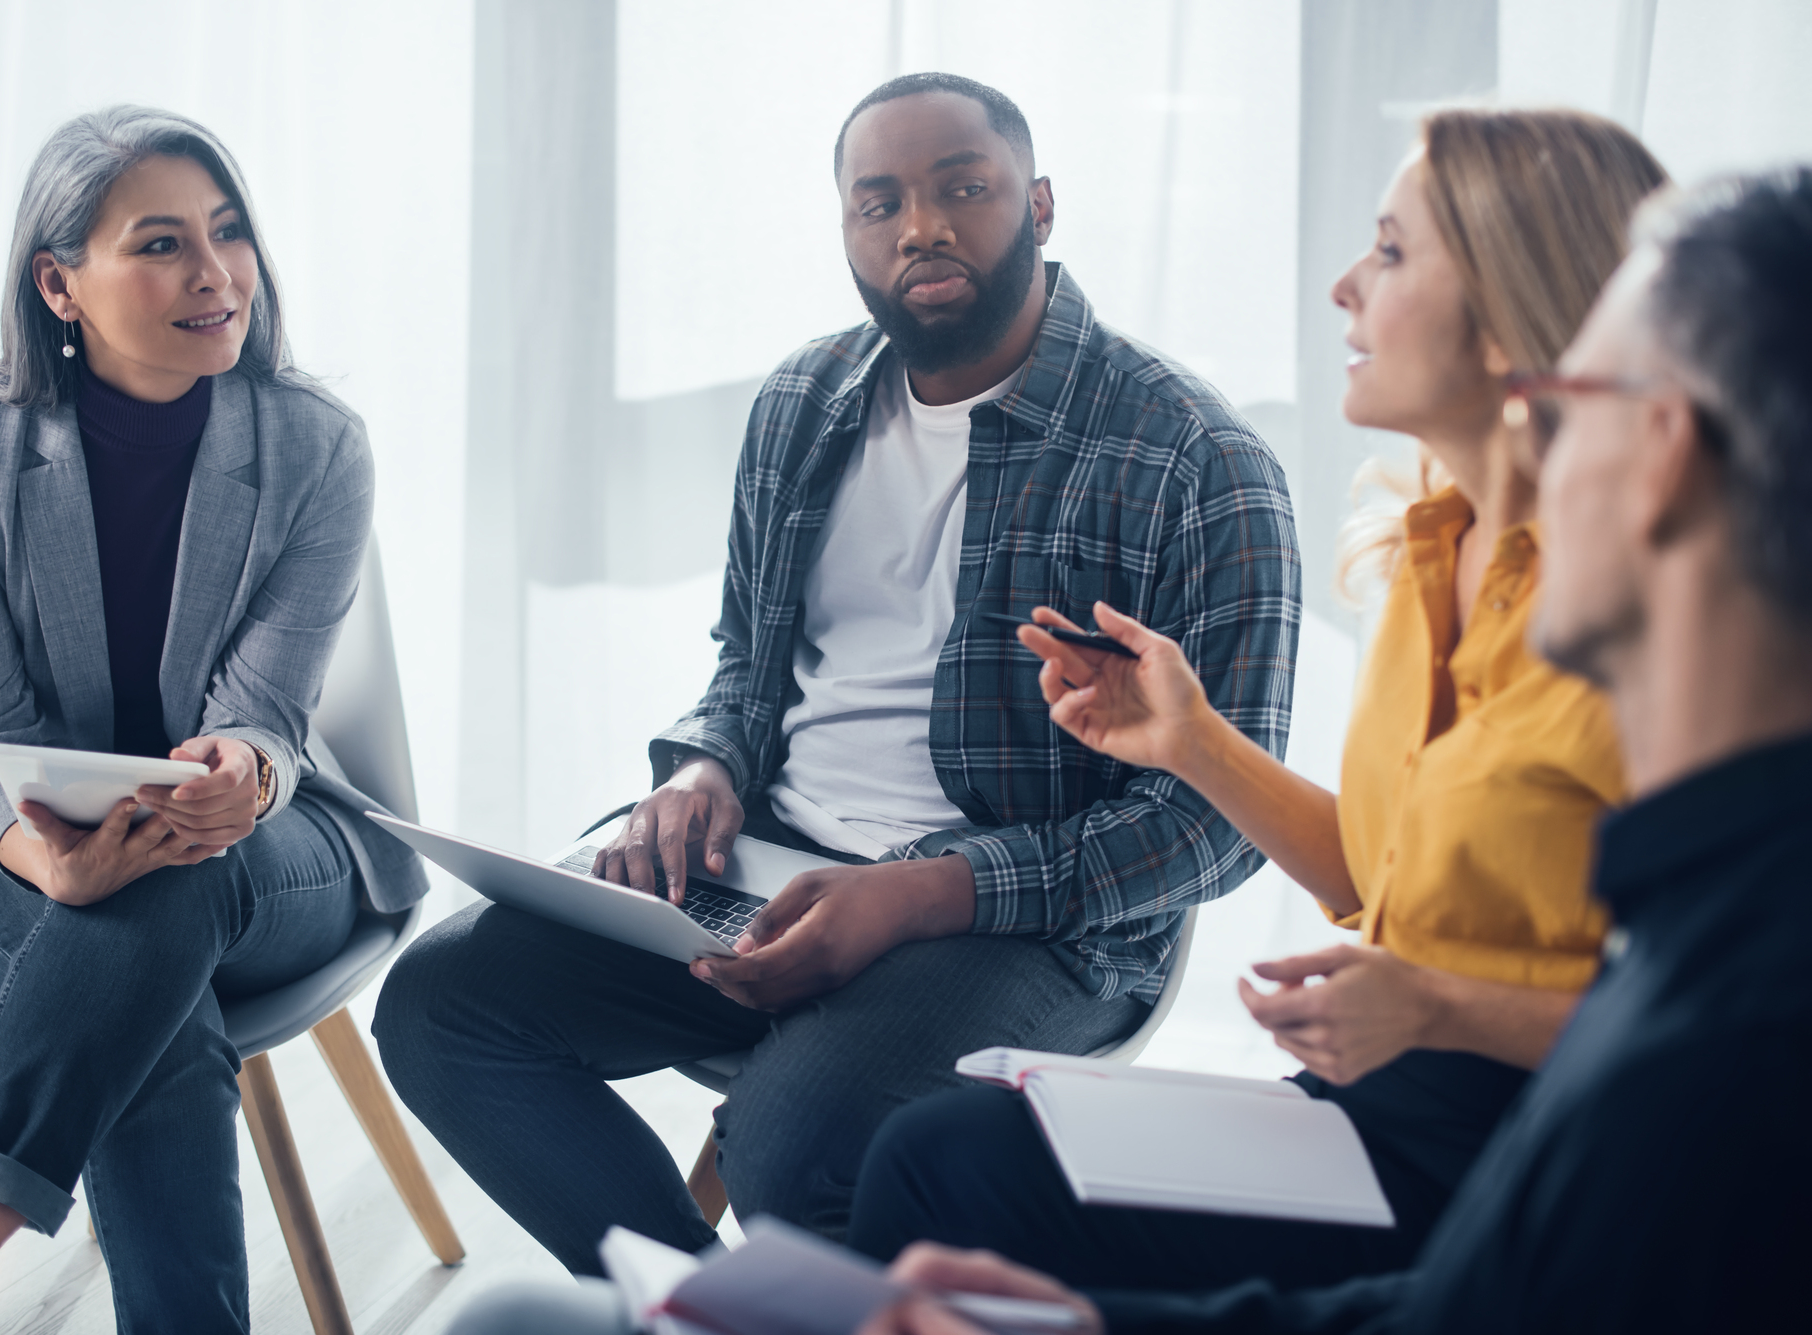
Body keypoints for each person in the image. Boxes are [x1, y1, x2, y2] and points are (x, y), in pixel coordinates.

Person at [373, 72, 1300, 1274]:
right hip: (766, 870)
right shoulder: (803, 402)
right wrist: (704, 767)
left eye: (962, 188)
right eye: (880, 203)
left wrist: (922, 892)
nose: (920, 226)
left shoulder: (1195, 458)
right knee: (445, 1006)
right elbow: (744, 671)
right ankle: (706, 1304)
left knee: (795, 1146)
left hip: (1021, 926)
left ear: (1041, 206)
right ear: (847, 229)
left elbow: (1211, 830)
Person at [864, 164, 1812, 1335]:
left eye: (1573, 405)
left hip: (1461, 1117)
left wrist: (1443, 1007)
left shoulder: (1722, 953)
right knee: (939, 1150)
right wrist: (1192, 743)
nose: (1341, 287)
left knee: (935, 1161)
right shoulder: (1428, 554)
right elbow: (1386, 879)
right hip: (1383, 1092)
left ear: (1659, 453)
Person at [0, 107, 425, 1335]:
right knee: (153, 1013)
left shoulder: (319, 446)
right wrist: (45, 857)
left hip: (268, 849)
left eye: (228, 233)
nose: (215, 275)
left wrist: (243, 776)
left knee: (167, 881)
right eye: (161, 244)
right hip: (7, 845)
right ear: (59, 283)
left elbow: (263, 711)